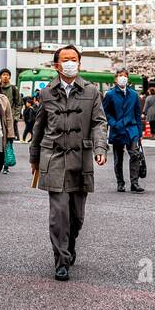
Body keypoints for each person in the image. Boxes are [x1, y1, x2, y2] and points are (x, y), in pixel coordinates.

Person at [29, 45, 108, 281]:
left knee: (77, 216)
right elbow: (38, 128)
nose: (70, 63)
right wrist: (34, 158)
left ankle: (70, 245)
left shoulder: (92, 92)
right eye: (66, 59)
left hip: (81, 159)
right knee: (59, 213)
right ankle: (61, 260)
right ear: (57, 65)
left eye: (74, 59)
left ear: (80, 63)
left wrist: (100, 147)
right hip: (53, 158)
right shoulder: (46, 94)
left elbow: (99, 123)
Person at [102, 68, 144, 192]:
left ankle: (134, 182)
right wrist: (113, 123)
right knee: (118, 158)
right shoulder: (110, 95)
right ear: (115, 79)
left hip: (132, 129)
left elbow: (137, 113)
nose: (123, 77)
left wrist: (139, 132)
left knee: (135, 154)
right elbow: (105, 112)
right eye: (120, 75)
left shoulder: (133, 95)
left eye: (125, 75)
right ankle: (120, 183)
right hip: (117, 129)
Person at [0, 69, 20, 173]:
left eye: (7, 75)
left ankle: (6, 165)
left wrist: (15, 117)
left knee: (8, 142)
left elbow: (18, 104)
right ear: (0, 77)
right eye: (3, 75)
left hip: (9, 121)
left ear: (10, 77)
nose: (5, 77)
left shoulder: (14, 89)